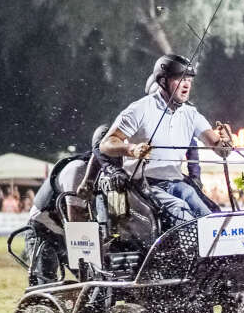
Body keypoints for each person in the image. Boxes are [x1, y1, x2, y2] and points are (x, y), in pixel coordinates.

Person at [98, 53, 231, 229]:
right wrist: (131, 149)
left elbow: (220, 149)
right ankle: (191, 254)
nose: (186, 85)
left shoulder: (191, 114)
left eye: (189, 81)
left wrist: (226, 142)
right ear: (163, 82)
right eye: (180, 79)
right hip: (142, 186)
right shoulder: (140, 109)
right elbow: (106, 144)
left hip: (177, 184)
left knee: (209, 218)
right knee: (180, 210)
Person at [25, 125, 110, 285]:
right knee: (46, 286)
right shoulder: (78, 170)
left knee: (94, 283)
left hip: (65, 230)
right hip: (44, 229)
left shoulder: (105, 172)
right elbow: (76, 223)